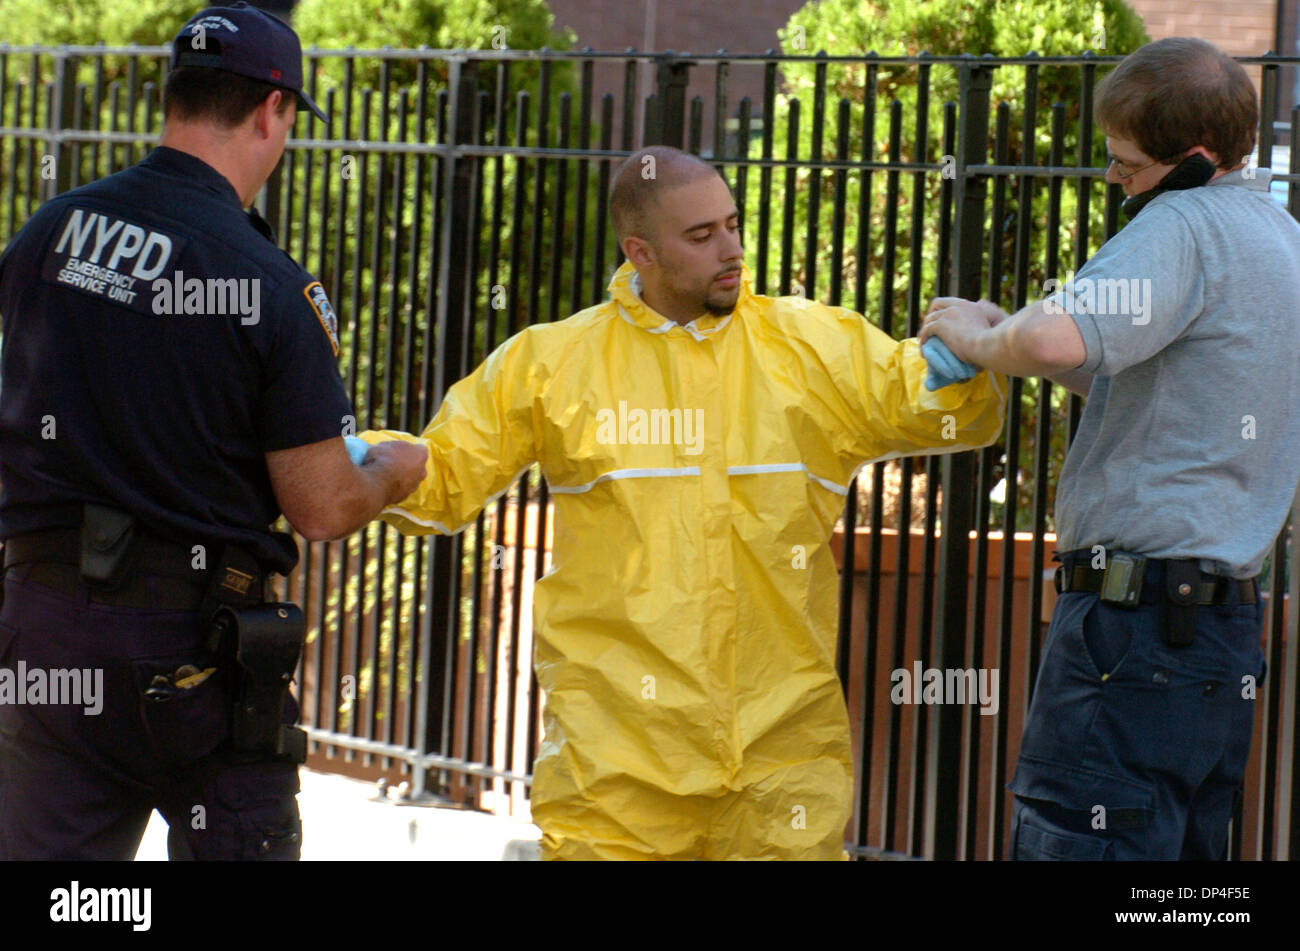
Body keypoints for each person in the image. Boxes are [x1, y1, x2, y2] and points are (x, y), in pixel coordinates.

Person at [358, 145, 1008, 860]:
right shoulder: (550, 366)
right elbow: (446, 470)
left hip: (782, 757)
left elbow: (931, 402)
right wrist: (367, 463)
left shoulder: (813, 347)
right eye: (701, 236)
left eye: (732, 224)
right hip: (619, 768)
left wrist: (967, 352)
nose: (731, 250)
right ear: (640, 251)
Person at [0, 2, 427, 860]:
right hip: (195, 658)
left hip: (46, 634)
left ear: (176, 95)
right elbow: (320, 504)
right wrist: (393, 467)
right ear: (273, 111)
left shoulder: (49, 232)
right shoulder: (269, 285)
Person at [919, 37, 1300, 860]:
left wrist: (974, 337)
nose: (1113, 178)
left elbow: (1055, 340)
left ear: (1193, 161)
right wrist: (1006, 331)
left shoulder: (1183, 223)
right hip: (1219, 638)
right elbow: (1180, 396)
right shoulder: (1281, 240)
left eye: (1126, 163)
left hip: (1130, 633)